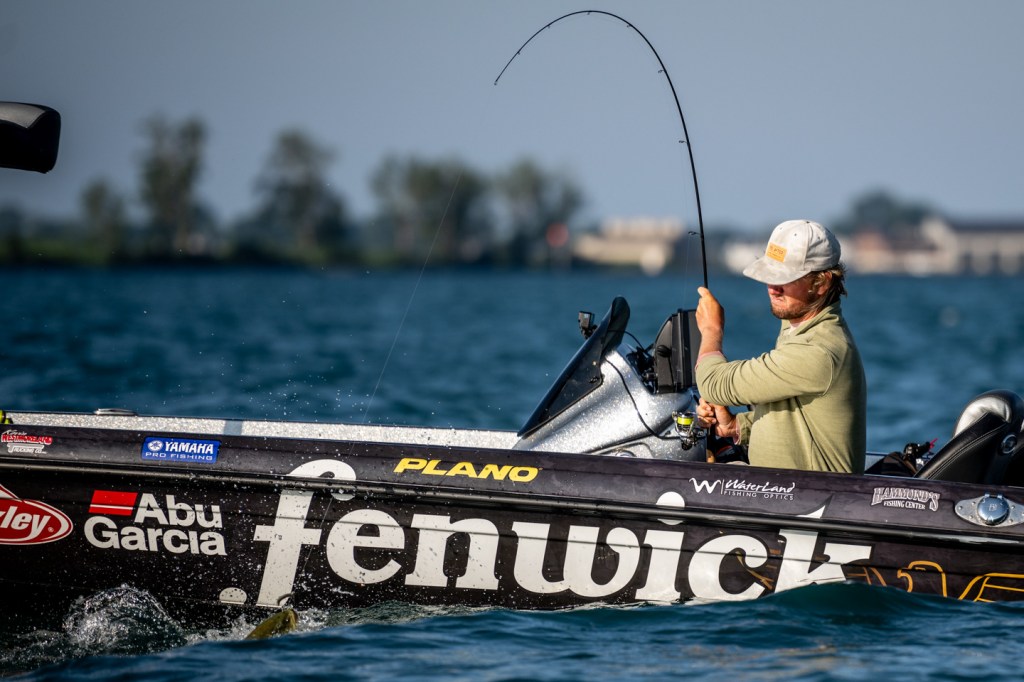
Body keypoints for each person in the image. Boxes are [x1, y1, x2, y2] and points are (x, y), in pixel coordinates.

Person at [694, 219, 866, 473]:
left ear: (821, 283)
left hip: (811, 494)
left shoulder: (817, 350)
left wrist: (711, 330)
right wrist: (736, 426)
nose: (772, 289)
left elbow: (713, 384)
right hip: (780, 487)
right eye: (769, 276)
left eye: (784, 278)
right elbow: (795, 416)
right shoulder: (798, 327)